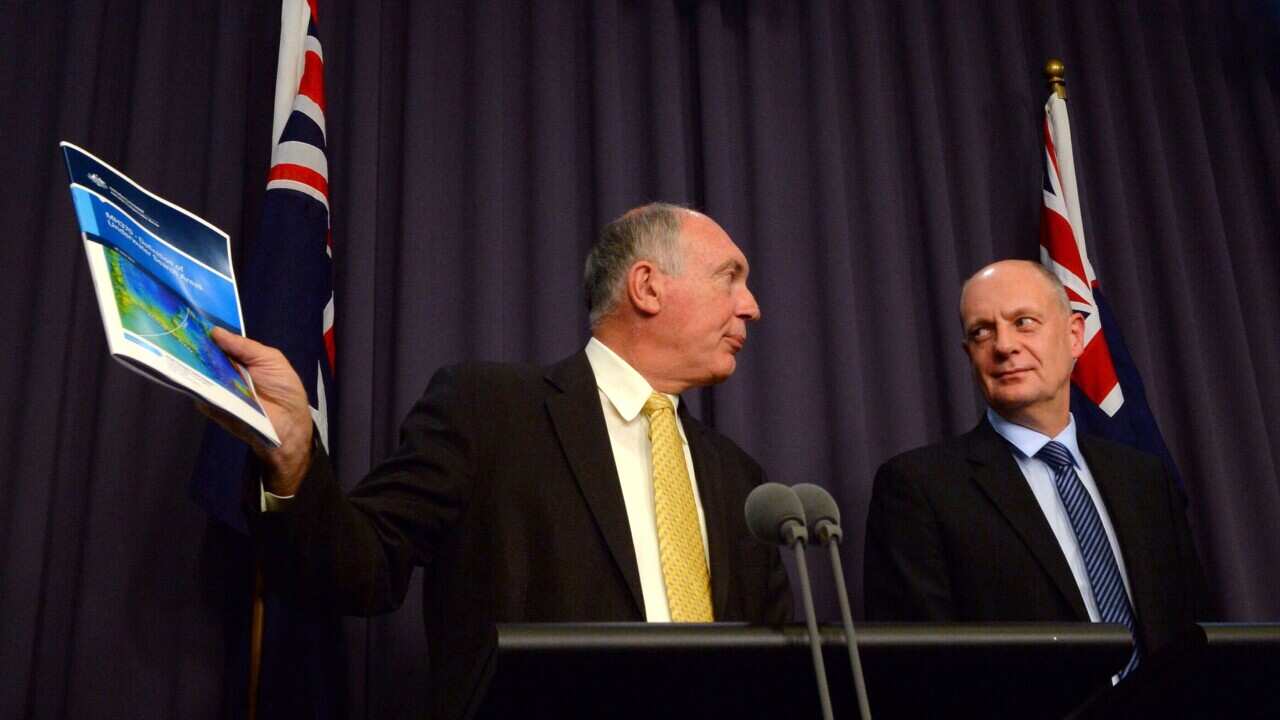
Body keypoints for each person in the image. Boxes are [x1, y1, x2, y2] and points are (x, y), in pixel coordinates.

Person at [207, 203, 792, 719]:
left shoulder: (741, 481)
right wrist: (293, 460)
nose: (752, 307)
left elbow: (780, 675)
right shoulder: (488, 411)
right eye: (729, 278)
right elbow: (364, 566)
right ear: (647, 286)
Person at [864, 259, 1209, 667]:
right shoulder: (919, 487)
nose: (1005, 345)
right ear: (968, 354)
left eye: (1024, 322)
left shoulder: (1145, 479)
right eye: (982, 331)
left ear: (1075, 336)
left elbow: (1191, 635)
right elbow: (917, 672)